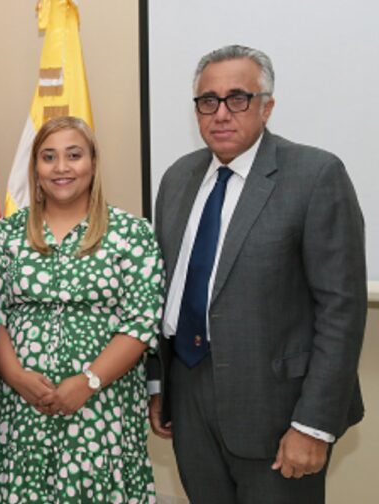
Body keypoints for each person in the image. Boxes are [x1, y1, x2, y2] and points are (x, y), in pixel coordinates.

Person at [148, 45, 366, 504]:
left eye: (238, 98)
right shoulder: (177, 179)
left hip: (277, 410)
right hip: (188, 396)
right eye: (208, 100)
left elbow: (341, 311)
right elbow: (162, 293)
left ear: (267, 107)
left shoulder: (315, 175)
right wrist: (158, 385)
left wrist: (313, 425)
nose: (221, 113)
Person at [0, 116, 165, 503]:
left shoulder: (132, 233)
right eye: (48, 157)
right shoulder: (4, 234)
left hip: (105, 407)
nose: (61, 167)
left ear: (93, 164)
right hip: (24, 408)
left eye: (73, 155)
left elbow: (141, 321)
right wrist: (16, 376)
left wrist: (88, 383)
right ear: (35, 168)